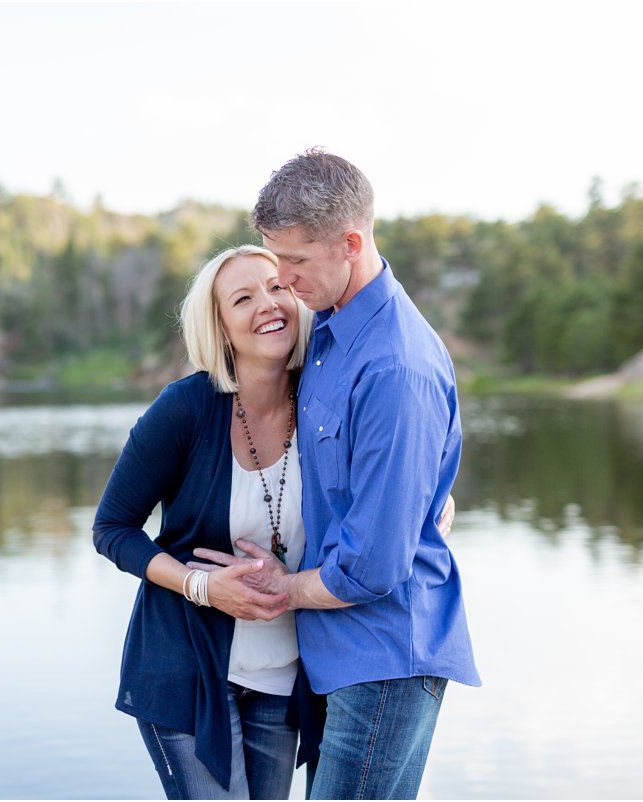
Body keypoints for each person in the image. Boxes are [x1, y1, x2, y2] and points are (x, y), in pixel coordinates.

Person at [203, 148, 481, 800]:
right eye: (278, 261)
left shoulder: (393, 366)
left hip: (382, 657)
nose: (285, 280)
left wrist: (279, 588)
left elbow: (374, 567)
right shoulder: (329, 331)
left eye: (296, 262)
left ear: (350, 244)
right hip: (334, 655)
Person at [93, 245, 321, 799]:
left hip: (281, 680)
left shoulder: (324, 398)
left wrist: (437, 500)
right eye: (242, 298)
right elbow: (112, 528)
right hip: (185, 675)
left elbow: (393, 461)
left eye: (276, 287)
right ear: (220, 328)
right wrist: (200, 586)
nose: (267, 304)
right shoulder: (186, 408)